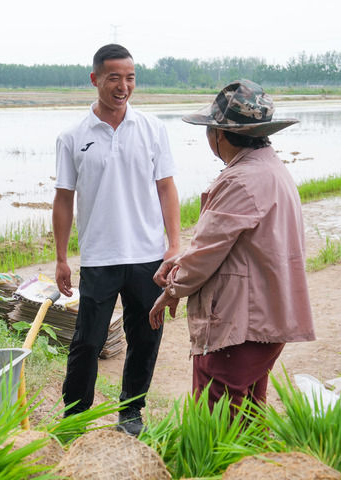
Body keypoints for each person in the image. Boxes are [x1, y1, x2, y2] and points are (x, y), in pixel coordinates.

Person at [149, 79, 315, 412]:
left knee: (216, 416)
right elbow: (232, 243)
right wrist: (181, 258)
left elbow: (206, 253)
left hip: (239, 323)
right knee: (249, 411)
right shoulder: (271, 169)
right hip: (266, 316)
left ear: (219, 134)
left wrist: (172, 290)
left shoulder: (240, 179)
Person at [53, 44, 180, 436]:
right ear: (95, 79)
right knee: (87, 341)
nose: (123, 86)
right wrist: (61, 258)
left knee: (146, 337)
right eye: (114, 78)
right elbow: (63, 199)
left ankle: (131, 410)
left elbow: (166, 188)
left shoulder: (153, 129)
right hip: (99, 256)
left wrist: (174, 245)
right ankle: (75, 414)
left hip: (148, 255)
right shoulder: (72, 136)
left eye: (130, 78)